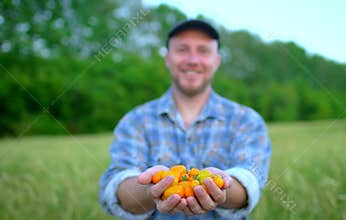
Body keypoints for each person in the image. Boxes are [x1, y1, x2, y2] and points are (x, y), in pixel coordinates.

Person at [99, 19, 272, 220]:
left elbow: (249, 181)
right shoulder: (135, 121)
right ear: (167, 59)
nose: (193, 60)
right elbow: (118, 185)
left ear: (217, 61)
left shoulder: (247, 120)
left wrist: (220, 189)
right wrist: (151, 190)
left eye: (203, 51)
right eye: (182, 50)